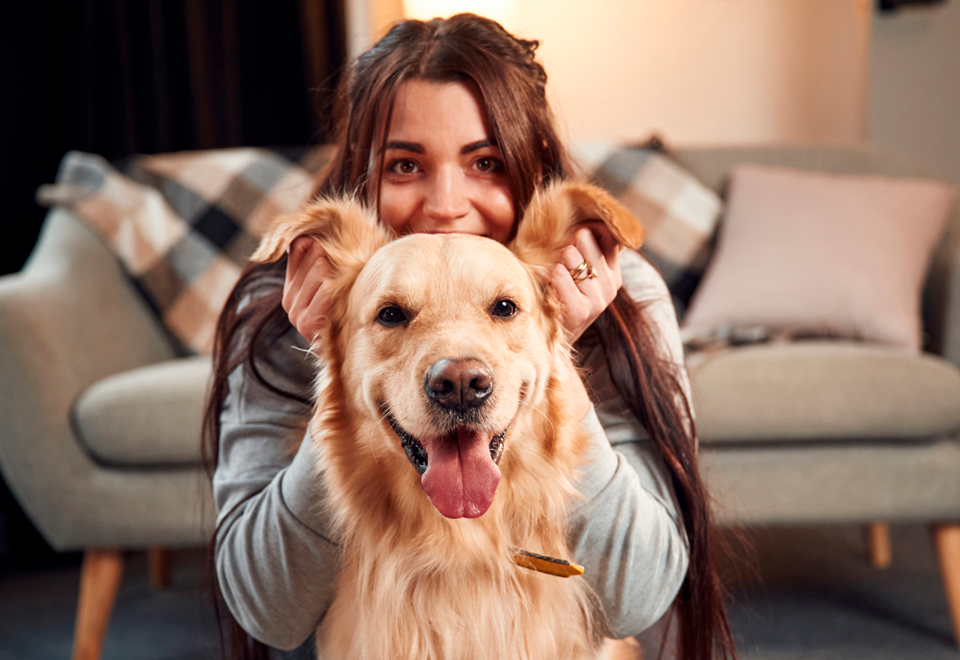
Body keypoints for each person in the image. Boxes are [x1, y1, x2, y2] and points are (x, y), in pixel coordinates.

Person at [203, 13, 736, 660]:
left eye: (485, 162)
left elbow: (641, 597)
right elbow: (270, 611)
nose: (446, 205)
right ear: (360, 177)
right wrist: (340, 361)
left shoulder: (618, 297)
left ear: (530, 164)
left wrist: (548, 351)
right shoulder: (290, 304)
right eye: (405, 165)